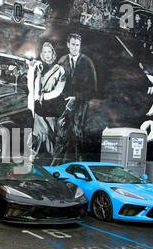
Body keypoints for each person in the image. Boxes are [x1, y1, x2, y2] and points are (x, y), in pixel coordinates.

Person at [27, 41, 68, 165]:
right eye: (44, 52)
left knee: (51, 136)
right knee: (38, 136)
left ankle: (51, 164)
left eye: (49, 51)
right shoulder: (38, 67)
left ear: (53, 53)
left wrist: (43, 96)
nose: (47, 54)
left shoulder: (60, 70)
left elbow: (58, 90)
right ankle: (36, 162)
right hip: (39, 107)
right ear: (42, 54)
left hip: (52, 107)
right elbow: (31, 87)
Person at [58, 33, 97, 162]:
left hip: (81, 106)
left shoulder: (87, 62)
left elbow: (93, 89)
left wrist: (76, 98)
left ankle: (76, 164)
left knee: (77, 135)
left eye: (78, 45)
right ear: (68, 45)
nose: (75, 47)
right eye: (73, 44)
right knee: (62, 135)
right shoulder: (62, 61)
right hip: (64, 105)